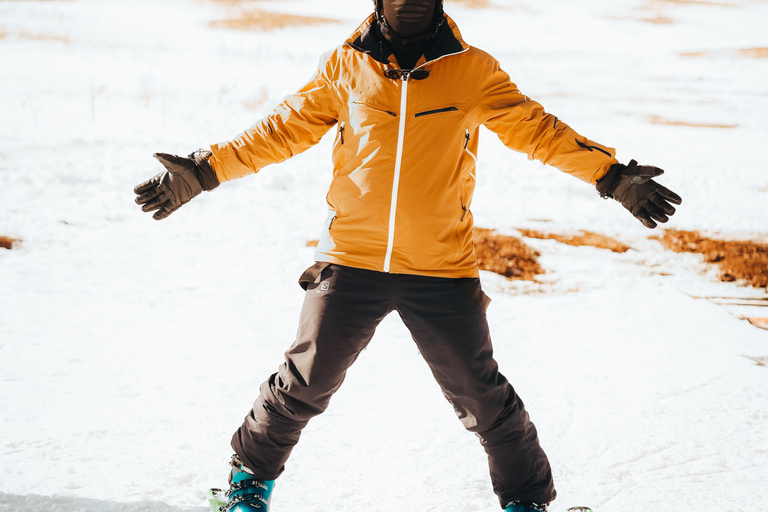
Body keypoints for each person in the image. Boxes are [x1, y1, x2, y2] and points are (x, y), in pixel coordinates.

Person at [134, 1, 682, 510]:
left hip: (440, 266)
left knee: (481, 396)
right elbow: (281, 129)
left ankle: (527, 503)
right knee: (303, 381)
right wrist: (204, 172)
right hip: (351, 257)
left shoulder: (473, 71)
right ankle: (245, 487)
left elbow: (538, 130)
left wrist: (611, 175)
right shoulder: (346, 67)